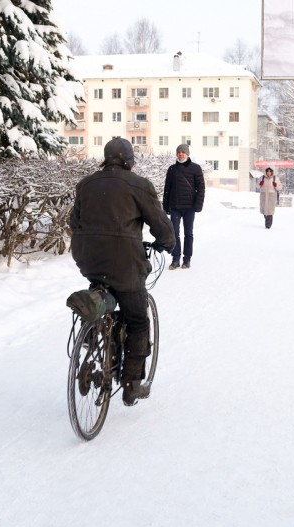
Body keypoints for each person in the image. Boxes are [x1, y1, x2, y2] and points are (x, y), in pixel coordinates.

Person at [69, 137, 175, 406]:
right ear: (129, 161)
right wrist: (166, 242)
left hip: (88, 258)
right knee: (138, 320)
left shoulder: (86, 184)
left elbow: (74, 221)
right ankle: (132, 384)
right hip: (124, 262)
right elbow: (159, 222)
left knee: (101, 287)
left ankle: (92, 333)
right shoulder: (138, 185)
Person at [163, 143, 205, 269]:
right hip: (175, 206)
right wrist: (165, 205)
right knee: (174, 233)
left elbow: (201, 188)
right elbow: (167, 188)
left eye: (183, 152)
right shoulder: (172, 169)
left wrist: (198, 205)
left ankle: (187, 259)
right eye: (179, 152)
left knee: (188, 233)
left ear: (187, 154)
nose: (181, 154)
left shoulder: (195, 168)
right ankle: (175, 259)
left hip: (189, 207)